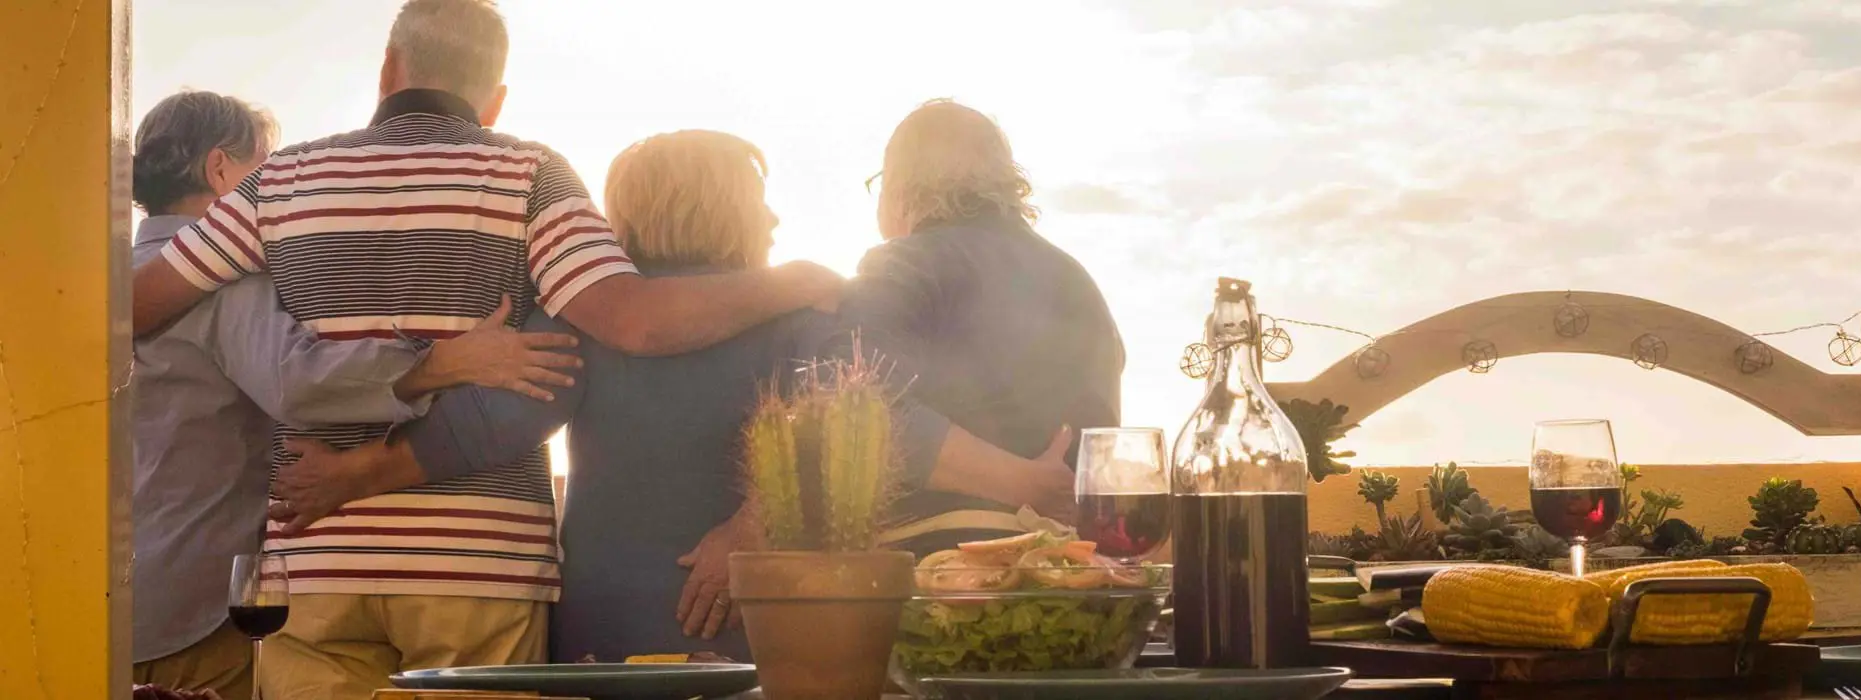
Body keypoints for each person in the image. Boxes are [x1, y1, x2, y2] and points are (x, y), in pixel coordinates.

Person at [123, 2, 837, 697]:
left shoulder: (277, 181)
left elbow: (134, 308)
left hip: (315, 563)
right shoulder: (532, 176)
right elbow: (634, 323)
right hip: (479, 570)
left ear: (387, 69)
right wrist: (795, 282)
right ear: (494, 100)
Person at [267, 129, 1077, 663]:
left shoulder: (586, 317)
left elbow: (492, 423)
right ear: (720, 204)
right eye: (757, 197)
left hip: (603, 616)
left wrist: (359, 473)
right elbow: (865, 425)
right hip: (748, 619)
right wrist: (1028, 482)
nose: (773, 215)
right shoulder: (803, 315)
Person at [128, 90, 577, 700]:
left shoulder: (95, 285)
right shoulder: (220, 286)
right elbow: (300, 382)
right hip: (209, 610)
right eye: (262, 165)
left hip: (119, 603)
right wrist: (435, 364)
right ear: (220, 171)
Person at [839, 98, 1125, 553]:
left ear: (900, 187)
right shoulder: (1078, 281)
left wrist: (1019, 484)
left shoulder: (903, 265)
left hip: (941, 574)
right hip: (1075, 574)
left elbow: (866, 409)